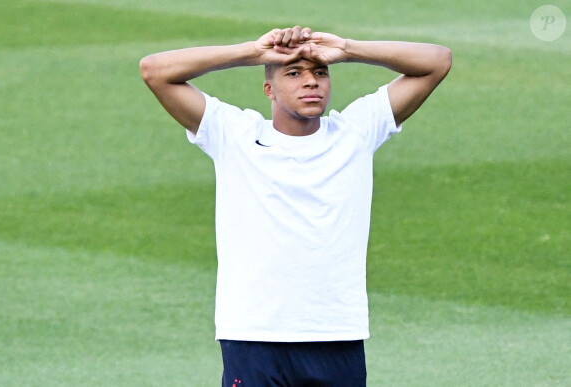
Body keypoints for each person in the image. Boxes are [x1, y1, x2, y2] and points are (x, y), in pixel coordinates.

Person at [140, 26, 451, 386]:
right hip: (254, 335)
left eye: (320, 72)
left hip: (335, 333)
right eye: (294, 73)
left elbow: (437, 61)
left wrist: (347, 49)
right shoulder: (235, 135)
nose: (311, 82)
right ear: (268, 89)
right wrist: (253, 53)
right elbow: (155, 70)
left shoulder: (355, 133)